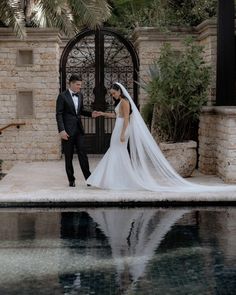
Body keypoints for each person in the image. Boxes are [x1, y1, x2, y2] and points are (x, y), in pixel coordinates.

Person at [86, 82, 236, 193]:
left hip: (122, 129)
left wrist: (122, 133)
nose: (112, 95)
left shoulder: (125, 102)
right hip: (119, 128)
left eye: (113, 93)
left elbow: (126, 119)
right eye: (112, 94)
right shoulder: (119, 102)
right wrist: (102, 114)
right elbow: (116, 115)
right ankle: (116, 179)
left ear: (119, 91)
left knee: (116, 151)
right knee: (116, 152)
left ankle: (115, 179)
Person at [56, 74, 96, 187]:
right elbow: (59, 114)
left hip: (79, 130)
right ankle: (71, 180)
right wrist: (61, 130)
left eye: (80, 85)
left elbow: (80, 110)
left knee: (83, 154)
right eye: (78, 85)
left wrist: (91, 114)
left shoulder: (80, 95)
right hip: (67, 131)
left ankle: (89, 178)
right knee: (68, 156)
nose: (80, 87)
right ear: (71, 84)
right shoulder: (62, 96)